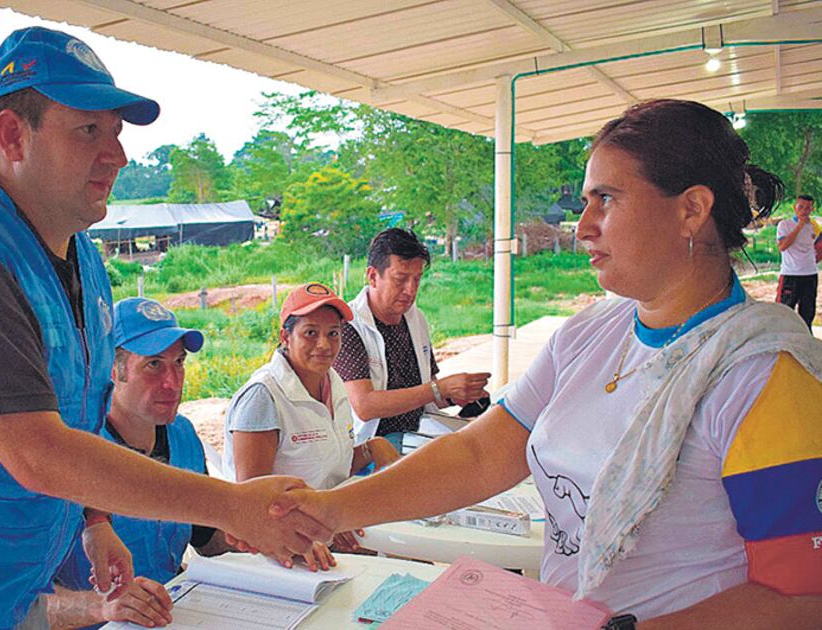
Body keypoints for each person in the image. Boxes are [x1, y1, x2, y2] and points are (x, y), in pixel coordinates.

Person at [269, 100, 822, 627]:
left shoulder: (762, 375)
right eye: (587, 201)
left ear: (691, 209)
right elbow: (482, 452)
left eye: (606, 199)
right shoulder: (589, 333)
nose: (583, 226)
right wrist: (331, 510)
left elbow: (801, 599)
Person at [0, 27, 327, 629]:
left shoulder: (81, 256)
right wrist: (231, 506)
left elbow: (75, 413)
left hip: (1, 590)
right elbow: (36, 450)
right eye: (88, 131)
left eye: (115, 133)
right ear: (13, 135)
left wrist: (93, 519)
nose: (116, 155)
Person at [48, 298, 234, 629]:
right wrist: (99, 607)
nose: (173, 382)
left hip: (178, 615)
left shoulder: (183, 436)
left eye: (179, 362)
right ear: (110, 368)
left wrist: (270, 537)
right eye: (154, 365)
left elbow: (208, 541)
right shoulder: (68, 451)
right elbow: (19, 606)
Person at [223, 283, 400, 570]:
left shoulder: (333, 382)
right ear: (285, 337)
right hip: (284, 550)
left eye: (333, 333)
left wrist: (370, 448)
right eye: (310, 333)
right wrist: (315, 529)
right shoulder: (263, 396)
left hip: (327, 531)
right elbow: (253, 501)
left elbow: (328, 466)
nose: (324, 345)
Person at [333, 229, 490, 451]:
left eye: (417, 279)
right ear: (372, 276)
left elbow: (428, 393)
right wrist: (438, 389)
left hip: (419, 432)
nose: (410, 290)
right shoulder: (348, 326)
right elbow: (364, 406)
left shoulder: (415, 318)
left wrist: (456, 395)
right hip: (370, 447)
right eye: (400, 279)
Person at [776, 194, 818, 328]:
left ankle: (805, 341)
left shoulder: (815, 226)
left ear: (812, 209)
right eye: (801, 207)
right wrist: (799, 226)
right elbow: (782, 246)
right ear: (795, 208)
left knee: (807, 313)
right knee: (785, 311)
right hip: (790, 274)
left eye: (807, 208)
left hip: (810, 274)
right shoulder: (785, 224)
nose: (804, 211)